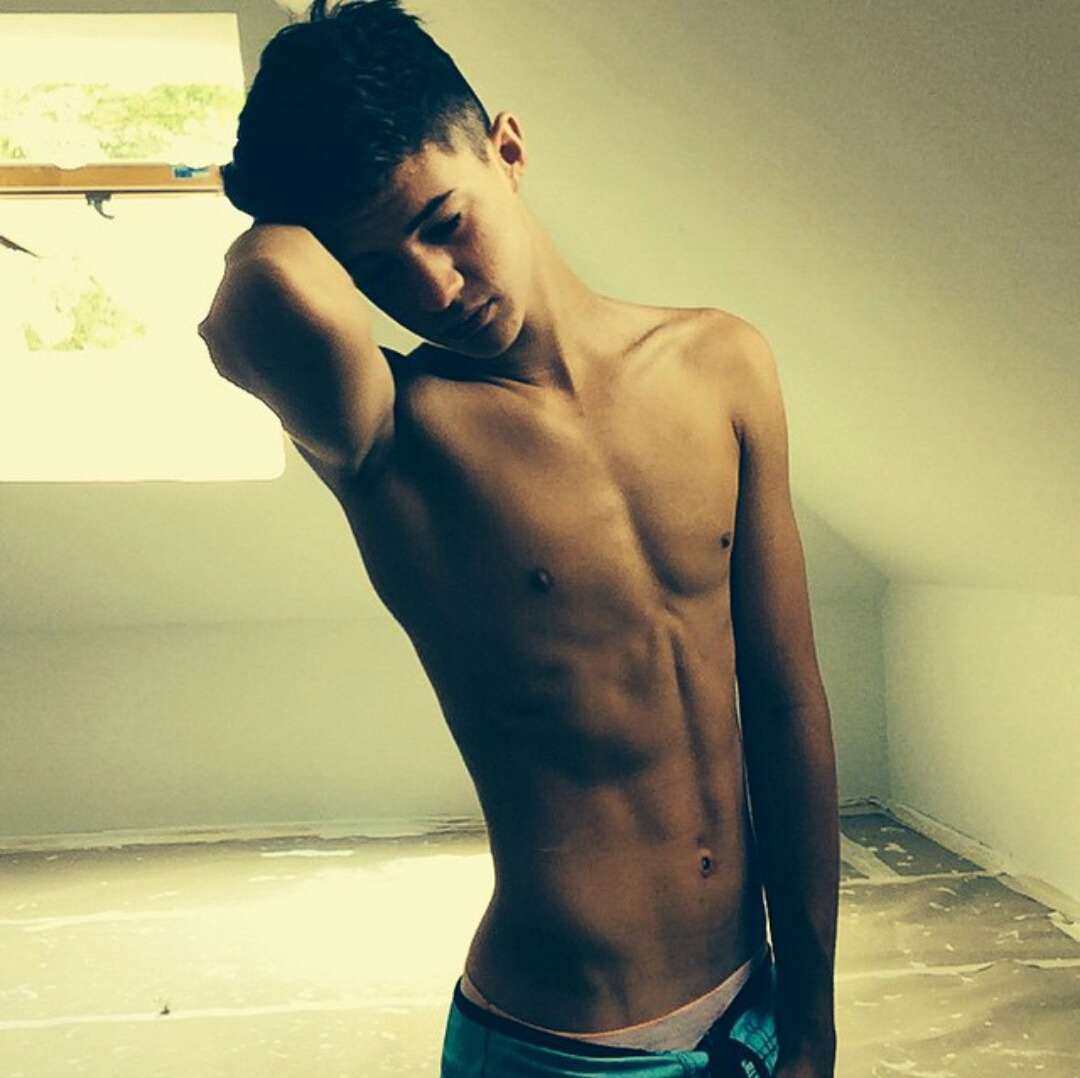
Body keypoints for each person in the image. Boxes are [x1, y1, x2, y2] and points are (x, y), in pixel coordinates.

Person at [198, 2, 839, 1074]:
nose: (433, 289)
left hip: (753, 1008)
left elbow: (786, 703)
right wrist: (288, 196)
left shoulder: (724, 364)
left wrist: (811, 1015)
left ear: (509, 148)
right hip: (556, 1040)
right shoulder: (391, 436)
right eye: (373, 268)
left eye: (443, 222)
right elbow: (250, 303)